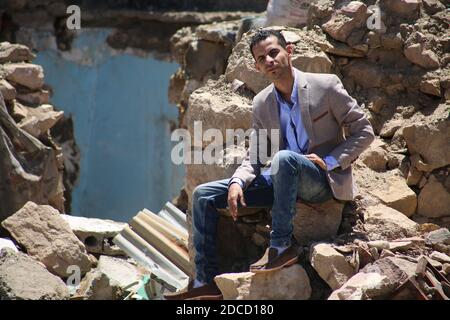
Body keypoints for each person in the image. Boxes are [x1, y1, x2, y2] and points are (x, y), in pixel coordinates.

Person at [165, 29, 375, 300]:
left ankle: (280, 247)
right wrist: (237, 181)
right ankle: (205, 281)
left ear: (289, 51)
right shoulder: (262, 103)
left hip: (321, 180)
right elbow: (255, 155)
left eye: (273, 52)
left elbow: (364, 131)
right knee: (203, 194)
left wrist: (330, 160)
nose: (269, 60)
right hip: (281, 179)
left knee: (283, 158)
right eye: (261, 58)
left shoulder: (326, 86)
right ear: (257, 66)